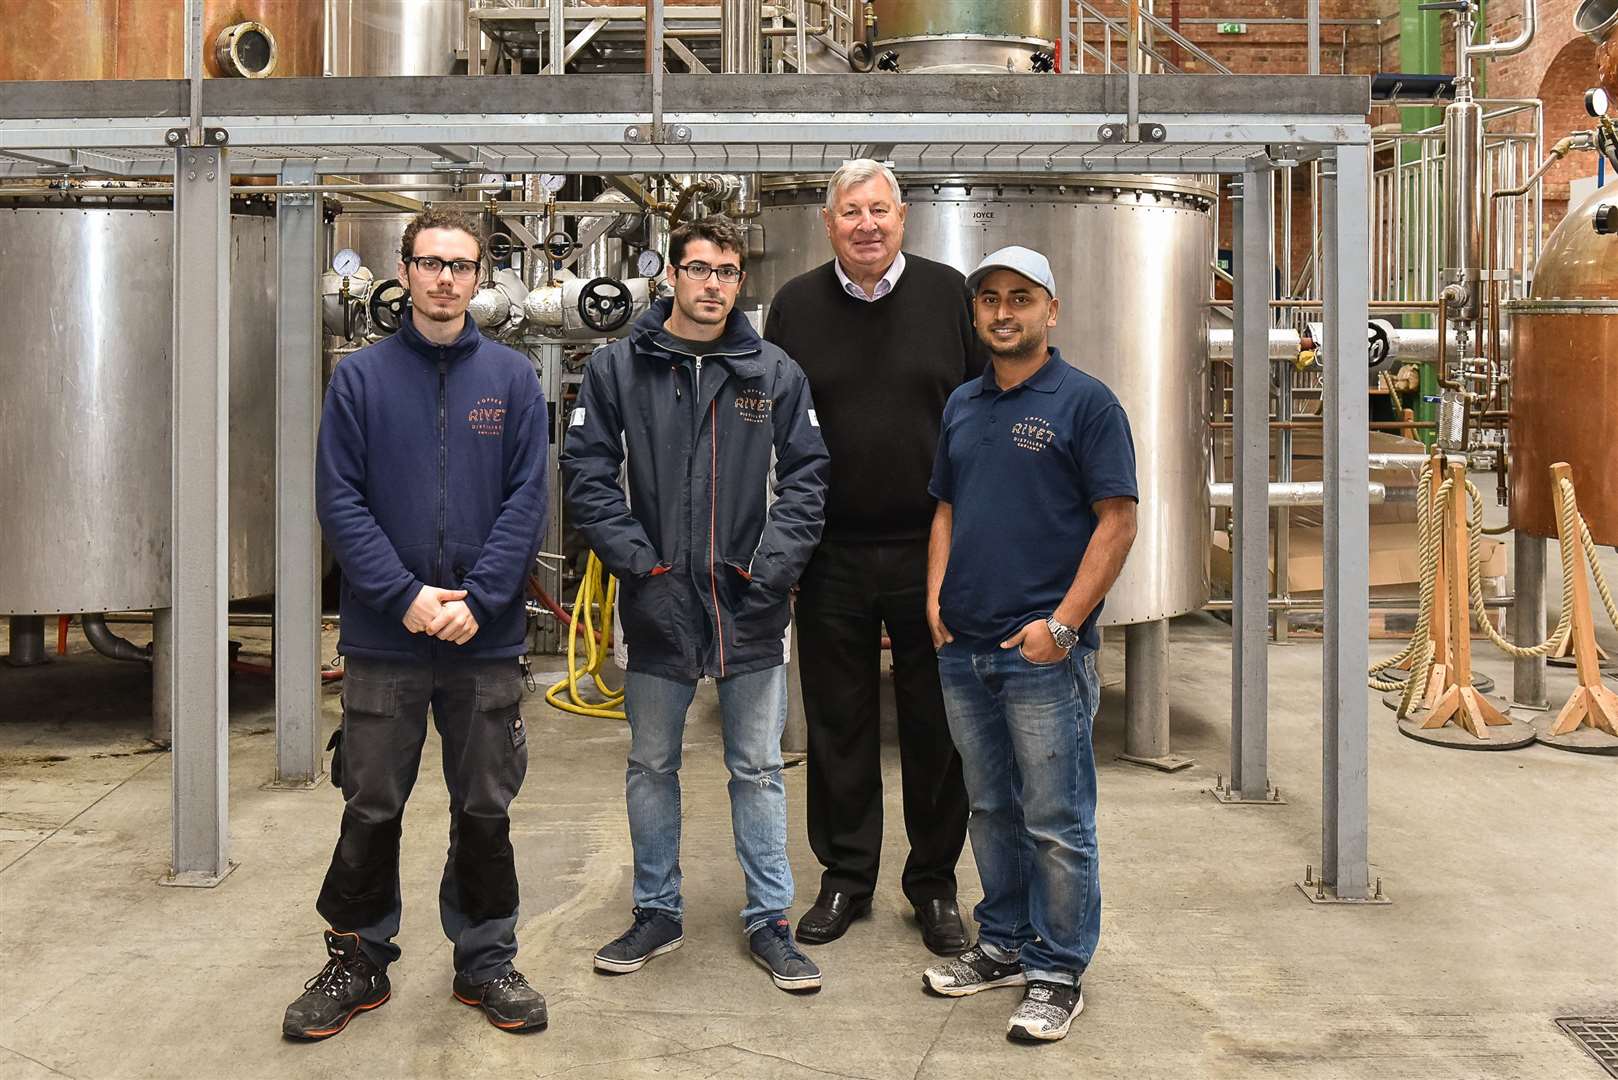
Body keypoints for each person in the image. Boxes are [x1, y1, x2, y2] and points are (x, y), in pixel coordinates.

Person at [284, 208, 550, 1040]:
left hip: (484, 635)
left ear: (482, 277)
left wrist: (482, 597)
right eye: (430, 262)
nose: (444, 278)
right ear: (404, 271)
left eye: (461, 265)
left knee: (485, 806)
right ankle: (357, 958)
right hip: (384, 636)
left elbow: (528, 501)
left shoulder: (512, 381)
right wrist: (404, 597)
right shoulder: (360, 380)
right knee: (370, 803)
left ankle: (486, 958)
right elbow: (340, 500)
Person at [561, 216, 831, 992]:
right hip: (656, 603)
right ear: (671, 276)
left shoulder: (773, 373)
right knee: (651, 763)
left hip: (748, 603)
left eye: (728, 272)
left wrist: (771, 572)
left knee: (757, 767)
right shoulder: (619, 369)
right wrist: (639, 568)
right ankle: (657, 910)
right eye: (700, 269)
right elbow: (586, 474)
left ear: (740, 282)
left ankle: (770, 920)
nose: (713, 285)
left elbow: (808, 479)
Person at [920, 246, 1138, 1044]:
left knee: (1056, 819)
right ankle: (1005, 945)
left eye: (1020, 298)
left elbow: (1118, 521)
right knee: (990, 809)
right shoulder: (964, 404)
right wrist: (936, 599)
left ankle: (1057, 971)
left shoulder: (1087, 403)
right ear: (975, 313)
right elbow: (945, 507)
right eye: (989, 300)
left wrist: (1064, 626)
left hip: (1043, 652)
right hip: (965, 646)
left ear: (1052, 311)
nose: (1003, 313)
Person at [763, 159, 980, 955]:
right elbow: (769, 430)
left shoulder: (948, 295)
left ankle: (933, 885)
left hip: (933, 550)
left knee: (935, 725)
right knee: (839, 722)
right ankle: (846, 877)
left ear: (903, 217)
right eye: (851, 211)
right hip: (829, 552)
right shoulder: (794, 306)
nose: (866, 224)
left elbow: (982, 412)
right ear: (829, 223)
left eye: (879, 210)